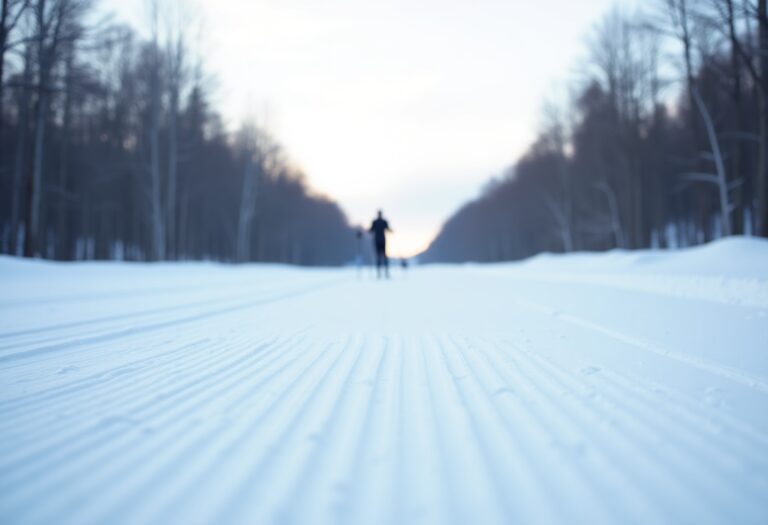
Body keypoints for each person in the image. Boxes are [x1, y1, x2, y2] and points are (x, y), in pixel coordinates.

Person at [369, 209, 392, 279]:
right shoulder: (383, 221)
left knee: (379, 257)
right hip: (382, 241)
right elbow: (388, 229)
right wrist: (391, 231)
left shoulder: (375, 222)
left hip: (377, 241)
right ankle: (385, 273)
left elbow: (370, 230)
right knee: (383, 257)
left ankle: (379, 273)